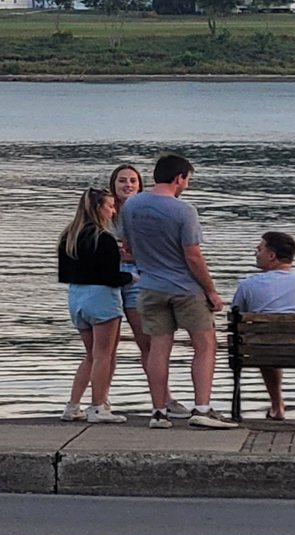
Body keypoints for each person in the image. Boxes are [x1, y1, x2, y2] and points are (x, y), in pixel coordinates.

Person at [123, 152, 230, 429]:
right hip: (184, 288)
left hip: (148, 287)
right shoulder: (184, 211)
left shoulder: (132, 206)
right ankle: (202, 409)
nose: (187, 185)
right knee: (205, 345)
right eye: (187, 180)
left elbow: (130, 248)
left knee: (158, 348)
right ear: (178, 177)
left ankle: (159, 411)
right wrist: (211, 291)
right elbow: (193, 255)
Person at [230, 231, 295, 422]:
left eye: (259, 249)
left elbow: (238, 322)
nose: (256, 253)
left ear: (272, 256)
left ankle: (276, 405)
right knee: (270, 342)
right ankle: (277, 405)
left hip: (264, 350)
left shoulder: (248, 285)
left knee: (263, 343)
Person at [55, 184, 131, 422]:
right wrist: (131, 276)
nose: (113, 212)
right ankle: (98, 406)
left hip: (76, 296)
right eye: (110, 206)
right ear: (98, 208)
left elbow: (65, 273)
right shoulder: (104, 238)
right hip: (102, 298)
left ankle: (72, 405)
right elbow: (111, 277)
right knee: (103, 355)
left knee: (89, 354)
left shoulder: (68, 236)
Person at [103, 163, 149, 369]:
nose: (127, 185)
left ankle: (164, 398)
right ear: (113, 185)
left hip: (137, 275)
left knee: (146, 340)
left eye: (132, 181)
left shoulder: (146, 212)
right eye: (122, 180)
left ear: (140, 186)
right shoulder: (103, 211)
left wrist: (135, 254)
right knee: (106, 346)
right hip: (108, 277)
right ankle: (101, 399)